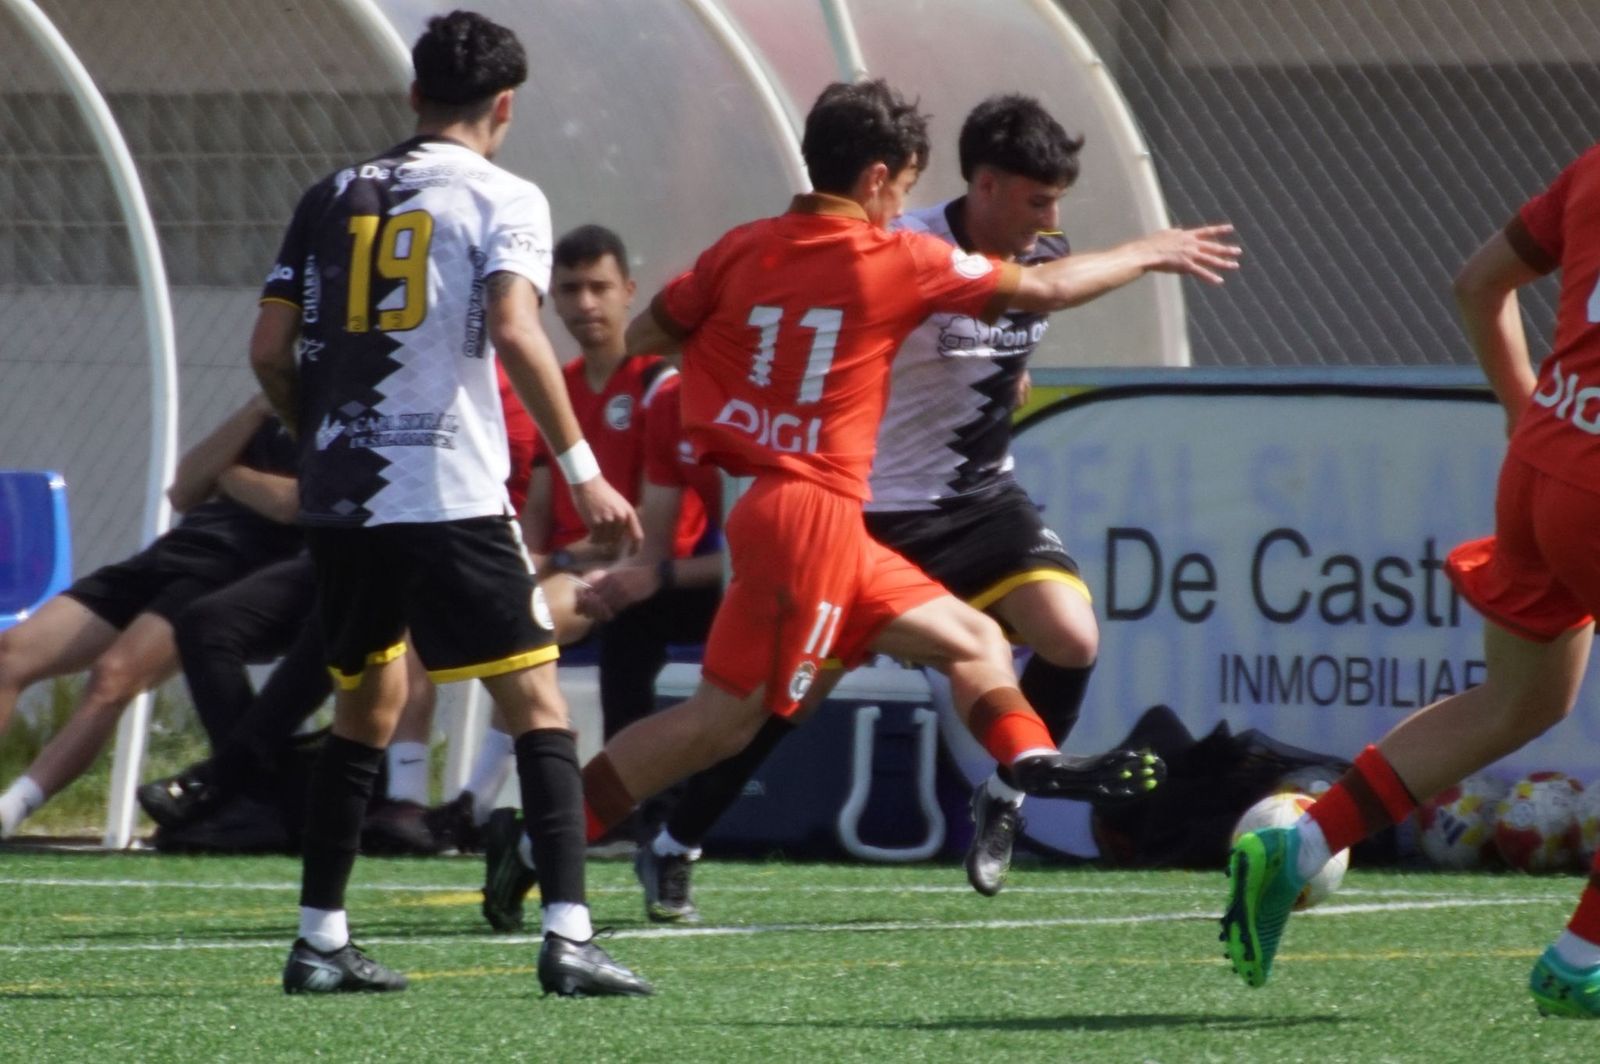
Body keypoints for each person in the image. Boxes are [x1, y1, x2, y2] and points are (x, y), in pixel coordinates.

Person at [578, 80, 1237, 873]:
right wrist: (1151, 249)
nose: (1050, 220)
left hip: (960, 500)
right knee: (748, 714)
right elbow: (1024, 294)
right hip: (852, 510)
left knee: (1033, 638)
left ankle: (1018, 781)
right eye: (1037, 201)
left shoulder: (755, 245)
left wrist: (996, 371)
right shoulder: (901, 250)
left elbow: (659, 334)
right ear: (911, 181)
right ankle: (631, 834)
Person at [250, 11, 649, 997]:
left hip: (344, 496)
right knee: (538, 703)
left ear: (414, 94)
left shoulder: (328, 194)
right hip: (445, 490)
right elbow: (514, 326)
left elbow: (268, 350)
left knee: (366, 706)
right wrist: (583, 466)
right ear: (504, 105)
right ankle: (568, 935)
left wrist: (320, 436)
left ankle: (319, 938)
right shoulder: (504, 195)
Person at [1219, 143, 1600, 1017]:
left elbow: (1477, 283)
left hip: (1543, 458)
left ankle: (1300, 844)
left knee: (1518, 702)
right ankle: (1582, 958)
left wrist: (1526, 412)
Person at [0, 396, 300, 837]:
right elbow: (183, 490)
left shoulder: (344, 418)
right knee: (10, 654)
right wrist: (258, 409)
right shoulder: (266, 410)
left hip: (235, 569)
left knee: (113, 676)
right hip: (170, 555)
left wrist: (228, 474)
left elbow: (291, 504)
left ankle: (12, 809)